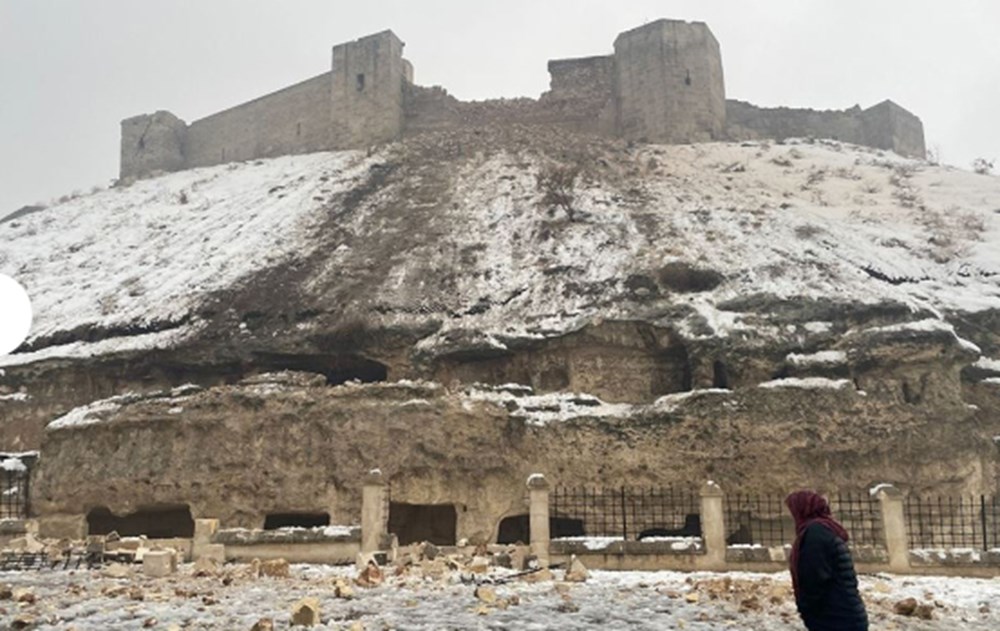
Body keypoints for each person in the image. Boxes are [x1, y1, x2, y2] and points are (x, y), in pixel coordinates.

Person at [785, 490, 869, 631]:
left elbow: (814, 576)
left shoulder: (815, 533)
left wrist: (806, 606)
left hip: (835, 617)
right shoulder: (825, 528)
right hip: (846, 613)